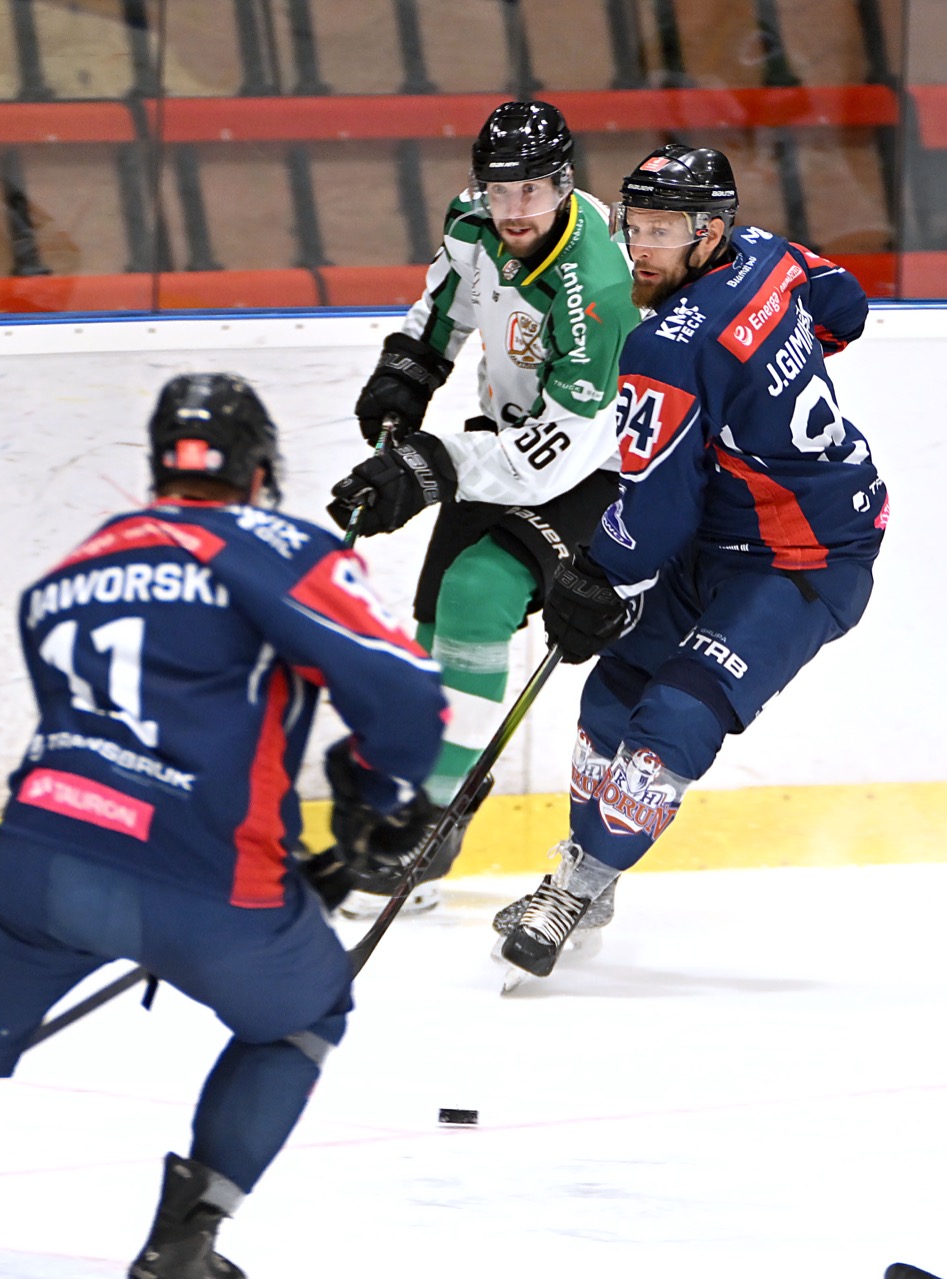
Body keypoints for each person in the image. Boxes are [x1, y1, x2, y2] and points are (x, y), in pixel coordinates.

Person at [0, 373, 446, 1279]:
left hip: (37, 861)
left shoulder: (73, 567)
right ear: (259, 470)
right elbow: (406, 696)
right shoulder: (278, 545)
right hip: (206, 876)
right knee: (305, 1015)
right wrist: (375, 799)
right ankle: (183, 1247)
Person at [493, 145, 887, 982]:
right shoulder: (766, 253)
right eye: (634, 225)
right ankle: (591, 879)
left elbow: (657, 509)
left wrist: (598, 573)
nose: (641, 247)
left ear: (709, 232)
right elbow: (844, 306)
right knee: (613, 691)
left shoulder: (669, 347)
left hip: (806, 557)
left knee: (674, 714)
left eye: (663, 231)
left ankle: (574, 888)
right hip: (728, 540)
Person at [326, 98, 638, 917]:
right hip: (507, 439)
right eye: (501, 190)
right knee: (434, 618)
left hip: (595, 467)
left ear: (563, 184)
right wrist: (407, 371)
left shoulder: (597, 285)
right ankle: (424, 799)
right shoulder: (474, 221)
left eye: (532, 189)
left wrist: (424, 468)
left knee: (476, 592)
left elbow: (558, 451)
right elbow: (447, 305)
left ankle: (429, 824)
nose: (515, 209)